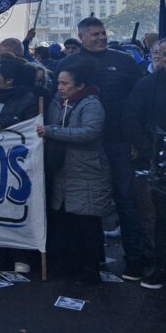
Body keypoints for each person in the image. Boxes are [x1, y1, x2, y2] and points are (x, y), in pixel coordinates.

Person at [56, 17, 149, 281]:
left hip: (118, 142)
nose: (100, 38)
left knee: (126, 200)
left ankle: (136, 259)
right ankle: (89, 260)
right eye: (94, 34)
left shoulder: (125, 62)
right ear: (81, 36)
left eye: (103, 33)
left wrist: (135, 140)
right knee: (85, 205)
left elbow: (137, 103)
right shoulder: (66, 64)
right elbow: (56, 100)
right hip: (80, 146)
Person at [38, 63, 112, 285]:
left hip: (87, 171)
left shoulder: (91, 104)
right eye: (58, 82)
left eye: (65, 83)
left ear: (80, 85)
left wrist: (52, 131)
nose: (59, 87)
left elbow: (90, 132)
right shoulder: (58, 103)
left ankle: (90, 269)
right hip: (64, 171)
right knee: (68, 221)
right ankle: (72, 264)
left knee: (87, 223)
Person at [124, 35, 166, 289]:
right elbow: (132, 120)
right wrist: (151, 150)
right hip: (162, 161)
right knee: (163, 217)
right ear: (157, 55)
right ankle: (163, 267)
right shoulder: (146, 85)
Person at [0, 55, 40, 273]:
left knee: (15, 206)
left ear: (10, 80)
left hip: (18, 161)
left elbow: (29, 125)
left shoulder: (29, 98)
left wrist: (4, 125)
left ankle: (20, 253)